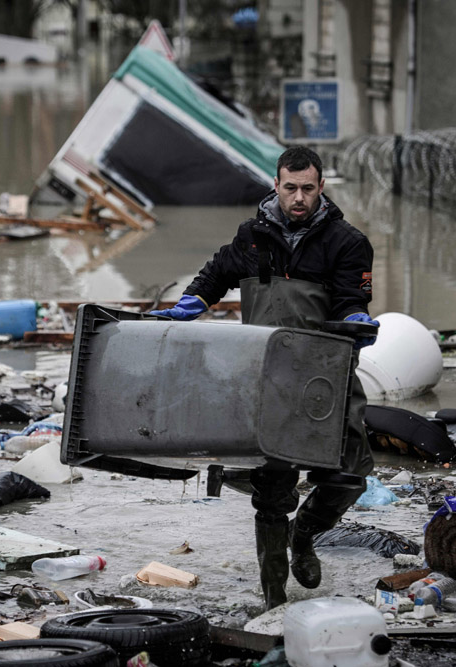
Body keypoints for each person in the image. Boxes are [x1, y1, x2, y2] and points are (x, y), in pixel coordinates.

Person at [150, 145, 378, 610]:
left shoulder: (347, 242)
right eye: (290, 188)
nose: (298, 198)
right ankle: (274, 600)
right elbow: (217, 274)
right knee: (271, 493)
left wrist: (357, 320)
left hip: (325, 379)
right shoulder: (253, 235)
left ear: (321, 188)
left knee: (349, 474)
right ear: (276, 185)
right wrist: (189, 304)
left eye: (307, 189)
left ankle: (306, 534)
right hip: (265, 380)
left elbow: (351, 299)